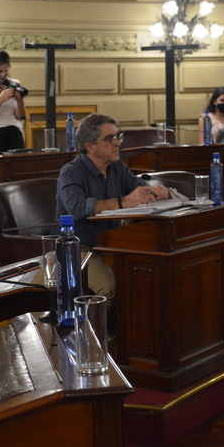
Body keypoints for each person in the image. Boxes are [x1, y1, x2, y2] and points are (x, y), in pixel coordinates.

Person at [56, 113, 169, 309]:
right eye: (110, 139)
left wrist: (156, 192)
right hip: (79, 248)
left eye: (118, 137)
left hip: (114, 244)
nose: (117, 143)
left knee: (152, 274)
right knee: (110, 288)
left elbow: (137, 191)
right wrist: (123, 201)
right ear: (90, 146)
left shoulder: (117, 166)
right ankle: (93, 336)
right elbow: (76, 208)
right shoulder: (71, 171)